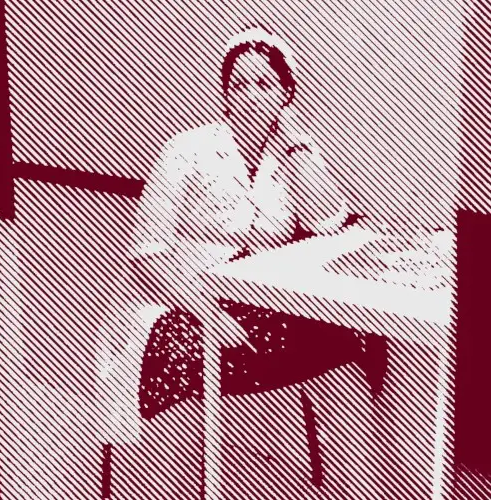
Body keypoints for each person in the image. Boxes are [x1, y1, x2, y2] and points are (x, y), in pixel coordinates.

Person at [105, 27, 384, 499]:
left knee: (350, 331)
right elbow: (146, 255)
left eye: (264, 84)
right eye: (239, 85)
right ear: (225, 94)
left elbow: (327, 226)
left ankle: (356, 481)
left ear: (286, 94)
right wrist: (204, 311)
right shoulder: (187, 151)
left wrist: (297, 150)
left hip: (262, 305)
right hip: (183, 303)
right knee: (192, 349)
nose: (251, 96)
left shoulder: (293, 156)